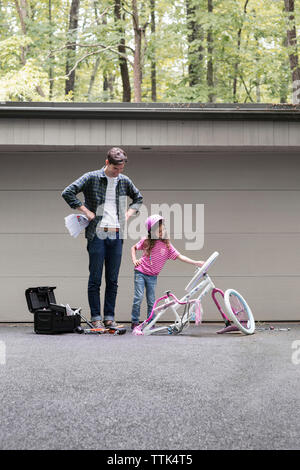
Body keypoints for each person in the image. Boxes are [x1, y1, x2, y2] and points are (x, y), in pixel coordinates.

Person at [62, 147, 143, 328]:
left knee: (113, 279)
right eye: (115, 169)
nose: (118, 173)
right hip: (97, 233)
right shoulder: (91, 177)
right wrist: (85, 211)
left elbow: (138, 198)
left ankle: (109, 317)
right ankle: (96, 317)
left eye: (121, 169)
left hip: (116, 234)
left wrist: (128, 214)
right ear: (107, 163)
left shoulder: (124, 180)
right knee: (96, 278)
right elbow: (67, 192)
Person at [130, 214, 204, 329]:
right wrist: (134, 260)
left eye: (163, 229)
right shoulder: (146, 241)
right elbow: (133, 248)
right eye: (159, 231)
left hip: (152, 277)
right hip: (140, 272)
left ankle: (151, 322)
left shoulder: (167, 246)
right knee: (138, 297)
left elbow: (181, 256)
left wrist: (196, 262)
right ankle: (134, 321)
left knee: (151, 301)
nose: (162, 232)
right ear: (152, 232)